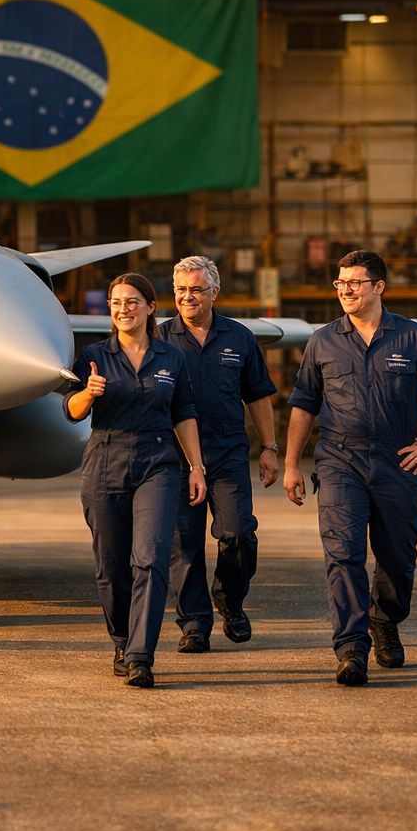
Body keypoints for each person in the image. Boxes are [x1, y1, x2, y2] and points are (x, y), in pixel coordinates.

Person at [284, 250, 417, 686]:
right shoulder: (323, 340)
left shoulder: (412, 337)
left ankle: (384, 620)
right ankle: (351, 649)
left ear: (379, 287)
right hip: (338, 460)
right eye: (339, 283)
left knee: (398, 557)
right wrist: (292, 463)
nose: (345, 290)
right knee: (343, 553)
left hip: (397, 461)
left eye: (354, 282)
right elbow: (303, 405)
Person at [66, 272, 207, 688]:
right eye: (115, 302)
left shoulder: (171, 358)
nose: (122, 309)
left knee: (151, 556)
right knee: (110, 565)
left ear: (149, 308)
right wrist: (88, 393)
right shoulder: (94, 354)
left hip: (159, 461)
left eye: (131, 301)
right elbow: (71, 411)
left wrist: (196, 466)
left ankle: (141, 655)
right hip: (106, 457)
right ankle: (122, 639)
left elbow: (183, 413)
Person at [163, 256, 280, 652]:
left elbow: (259, 395)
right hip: (175, 458)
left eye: (196, 289)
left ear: (215, 292)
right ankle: (194, 623)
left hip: (228, 452)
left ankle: (230, 600)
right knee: (185, 542)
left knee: (238, 532)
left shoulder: (239, 338)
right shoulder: (160, 339)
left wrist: (270, 447)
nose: (188, 297)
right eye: (181, 290)